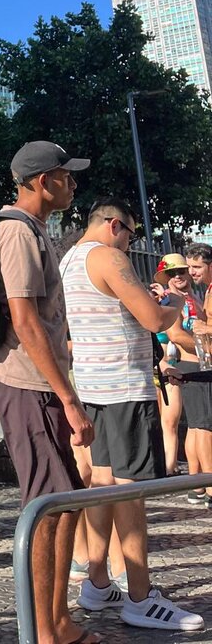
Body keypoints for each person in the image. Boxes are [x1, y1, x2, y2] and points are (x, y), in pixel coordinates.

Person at [60, 199, 204, 632]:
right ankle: (140, 597)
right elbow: (153, 319)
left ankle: (97, 582)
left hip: (92, 386)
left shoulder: (69, 260)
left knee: (102, 484)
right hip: (123, 386)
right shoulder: (108, 256)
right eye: (131, 233)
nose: (130, 242)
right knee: (130, 491)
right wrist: (175, 303)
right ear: (113, 225)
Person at [0, 141, 96, 644]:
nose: (73, 183)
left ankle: (57, 620)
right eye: (66, 176)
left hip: (38, 382)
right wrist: (68, 399)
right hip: (27, 384)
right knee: (49, 507)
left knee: (63, 502)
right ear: (44, 181)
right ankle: (46, 629)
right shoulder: (17, 231)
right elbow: (25, 321)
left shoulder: (34, 230)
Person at [167, 242, 212, 509]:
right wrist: (205, 342)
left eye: (187, 269)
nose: (184, 275)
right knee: (203, 426)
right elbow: (175, 334)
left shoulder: (197, 294)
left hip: (197, 365)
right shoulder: (173, 298)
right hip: (193, 365)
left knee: (197, 426)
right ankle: (207, 486)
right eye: (173, 273)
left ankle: (197, 486)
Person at [150, 254, 201, 477]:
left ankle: (174, 468)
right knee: (170, 420)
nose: (178, 276)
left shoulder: (192, 298)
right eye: (172, 273)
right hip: (167, 364)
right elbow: (174, 334)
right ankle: (169, 469)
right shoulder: (167, 300)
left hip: (180, 364)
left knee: (184, 422)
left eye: (181, 271)